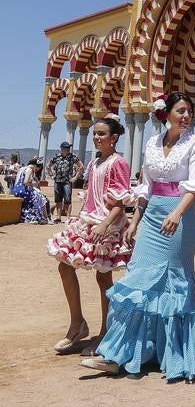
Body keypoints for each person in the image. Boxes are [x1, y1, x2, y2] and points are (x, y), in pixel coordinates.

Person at [82, 92, 195, 382]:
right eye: (181, 111)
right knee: (136, 279)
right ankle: (120, 354)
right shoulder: (152, 143)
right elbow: (146, 185)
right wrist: (135, 222)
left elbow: (194, 185)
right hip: (152, 216)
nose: (186, 116)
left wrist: (177, 214)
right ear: (167, 114)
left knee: (173, 281)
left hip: (180, 216)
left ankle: (173, 352)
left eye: (189, 111)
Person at [48, 116, 132, 354]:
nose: (96, 138)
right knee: (65, 266)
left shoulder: (119, 163)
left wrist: (105, 225)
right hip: (88, 221)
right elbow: (92, 195)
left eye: (101, 134)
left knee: (103, 277)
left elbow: (121, 202)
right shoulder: (94, 163)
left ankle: (107, 331)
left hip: (107, 225)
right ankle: (78, 323)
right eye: (95, 133)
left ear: (114, 138)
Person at [48, 142, 83, 223]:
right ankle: (58, 217)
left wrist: (76, 177)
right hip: (57, 181)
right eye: (66, 148)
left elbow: (81, 166)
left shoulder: (72, 157)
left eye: (68, 148)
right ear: (62, 148)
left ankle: (68, 218)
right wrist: (51, 175)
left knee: (68, 199)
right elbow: (48, 165)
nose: (68, 149)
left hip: (67, 181)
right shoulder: (56, 157)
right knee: (58, 199)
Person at [12, 158, 49, 223]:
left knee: (38, 195)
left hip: (16, 190)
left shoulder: (22, 168)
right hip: (23, 190)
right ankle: (43, 217)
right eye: (37, 168)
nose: (36, 170)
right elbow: (26, 182)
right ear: (35, 165)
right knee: (41, 197)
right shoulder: (29, 169)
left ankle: (39, 217)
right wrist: (33, 184)